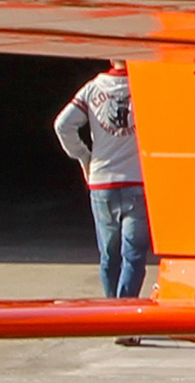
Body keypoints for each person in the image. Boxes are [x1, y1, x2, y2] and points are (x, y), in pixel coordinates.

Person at [53, 62, 149, 305]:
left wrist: (85, 157)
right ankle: (124, 315)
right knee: (134, 255)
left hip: (102, 183)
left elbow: (62, 125)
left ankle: (111, 311)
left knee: (109, 255)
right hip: (137, 180)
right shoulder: (145, 87)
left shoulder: (93, 88)